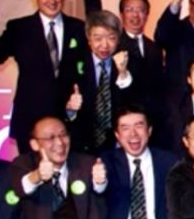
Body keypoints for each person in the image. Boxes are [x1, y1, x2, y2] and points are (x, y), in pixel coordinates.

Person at [0, 0, 87, 153]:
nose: (51, 0)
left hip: (69, 118)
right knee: (30, 168)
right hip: (30, 117)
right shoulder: (19, 28)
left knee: (70, 168)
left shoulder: (78, 28)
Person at [82, 0, 165, 125]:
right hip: (118, 118)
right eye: (129, 10)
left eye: (140, 10)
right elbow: (95, 18)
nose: (135, 15)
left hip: (149, 119)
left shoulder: (154, 48)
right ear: (121, 14)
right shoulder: (113, 42)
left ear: (147, 14)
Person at [59, 10, 137, 154]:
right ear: (89, 39)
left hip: (119, 145)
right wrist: (70, 110)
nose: (104, 45)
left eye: (111, 38)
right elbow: (59, 104)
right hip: (82, 146)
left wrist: (123, 74)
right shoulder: (72, 62)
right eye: (98, 38)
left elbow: (136, 104)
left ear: (118, 39)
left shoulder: (130, 61)